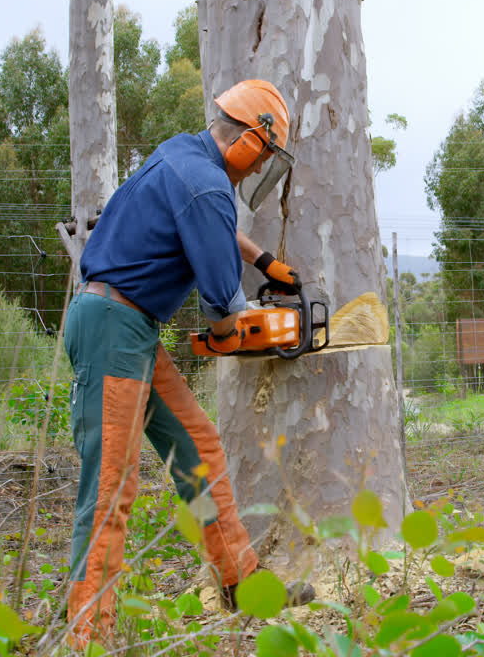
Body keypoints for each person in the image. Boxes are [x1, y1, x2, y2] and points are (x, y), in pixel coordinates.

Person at [61, 79, 311, 646]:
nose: (256, 170)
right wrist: (249, 331)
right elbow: (224, 313)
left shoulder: (181, 152)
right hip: (113, 330)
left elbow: (205, 216)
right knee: (109, 488)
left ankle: (242, 584)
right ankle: (86, 634)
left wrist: (263, 259)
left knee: (198, 447)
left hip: (128, 325)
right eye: (262, 158)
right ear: (249, 143)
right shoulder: (208, 185)